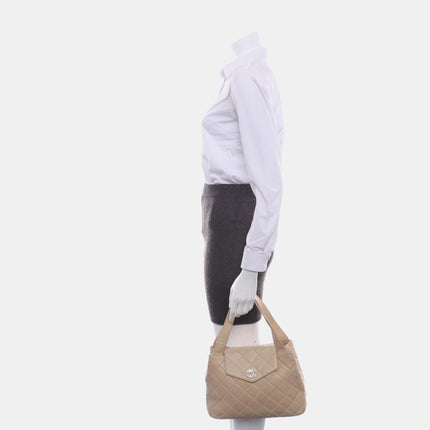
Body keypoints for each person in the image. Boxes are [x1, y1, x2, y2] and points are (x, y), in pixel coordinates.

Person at [200, 31, 284, 430]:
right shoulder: (245, 73)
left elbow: (269, 181)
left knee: (240, 356)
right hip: (226, 215)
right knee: (238, 354)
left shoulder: (246, 77)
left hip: (234, 218)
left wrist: (251, 266)